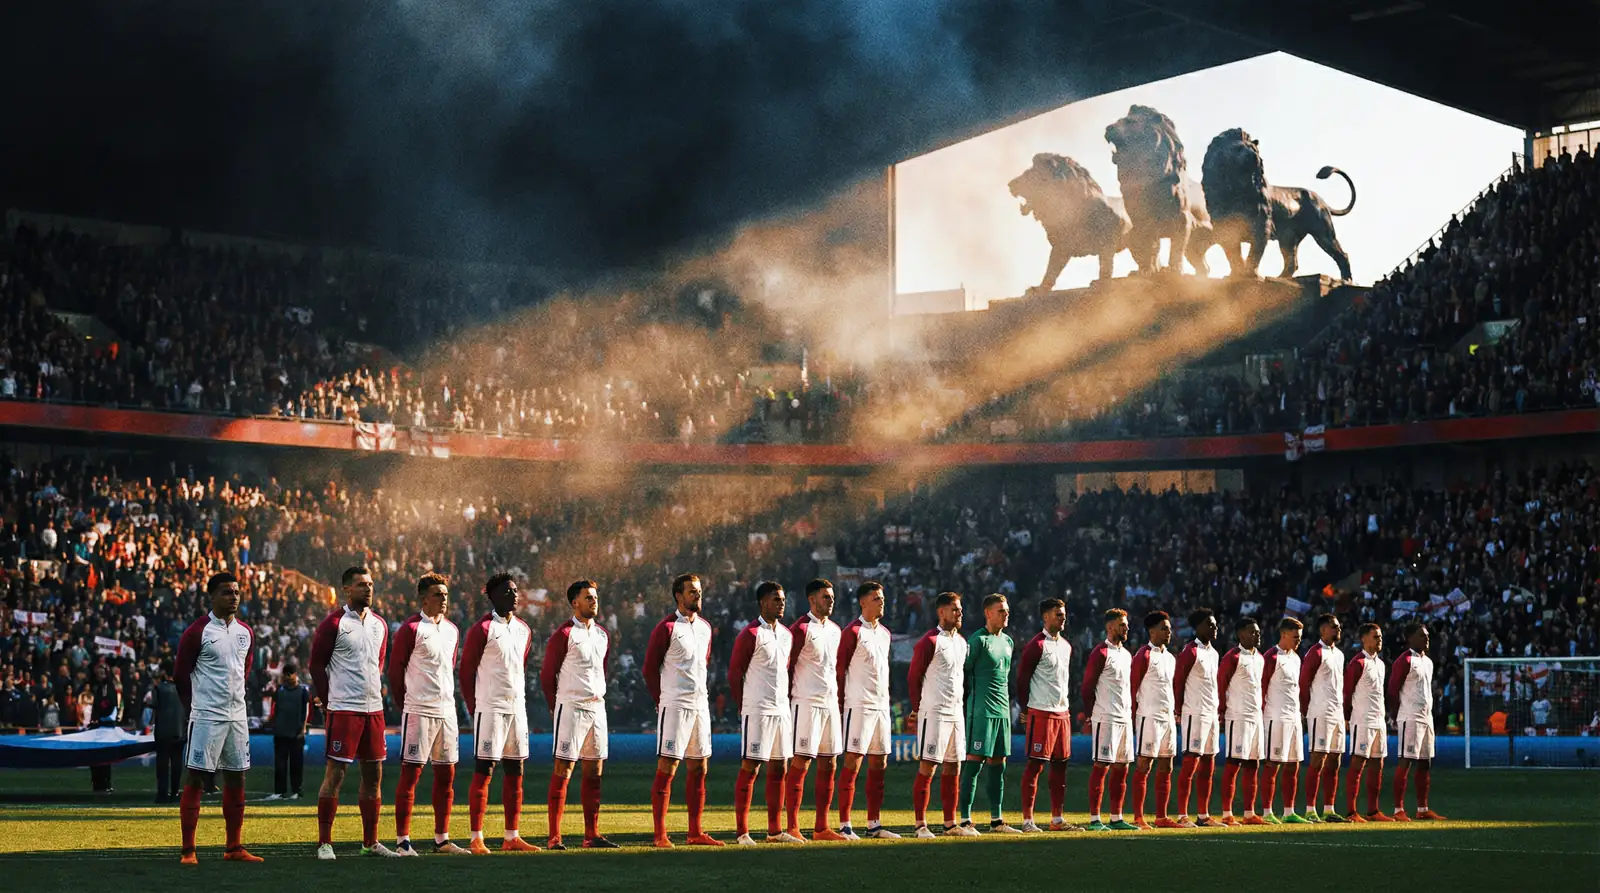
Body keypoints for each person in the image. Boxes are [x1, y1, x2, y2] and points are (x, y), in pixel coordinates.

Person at [173, 572, 262, 864]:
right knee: (196, 777)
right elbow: (180, 674)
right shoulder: (197, 631)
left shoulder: (245, 632)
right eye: (226, 592)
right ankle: (188, 850)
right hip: (206, 716)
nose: (233, 597)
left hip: (237, 716)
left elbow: (244, 671)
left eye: (236, 592)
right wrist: (194, 707)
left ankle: (233, 847)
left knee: (237, 777)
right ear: (211, 596)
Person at [309, 566, 396, 859]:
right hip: (345, 709)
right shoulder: (333, 624)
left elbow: (378, 664)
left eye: (370, 584)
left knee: (374, 777)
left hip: (374, 710)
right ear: (347, 589)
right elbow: (316, 665)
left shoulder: (380, 624)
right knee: (336, 774)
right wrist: (326, 699)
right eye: (361, 585)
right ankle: (324, 843)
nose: (368, 589)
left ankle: (370, 842)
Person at [387, 572, 468, 855]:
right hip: (418, 711)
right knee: (411, 775)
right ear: (423, 599)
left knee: (447, 776)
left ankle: (441, 839)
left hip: (447, 712)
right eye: (437, 594)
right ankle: (402, 841)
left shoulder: (452, 630)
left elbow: (449, 668)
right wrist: (405, 704)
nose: (443, 599)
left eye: (445, 594)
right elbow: (394, 671)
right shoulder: (411, 630)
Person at [460, 572, 540, 853]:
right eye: (507, 591)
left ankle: (511, 837)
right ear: (492, 597)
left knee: (516, 770)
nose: (513, 595)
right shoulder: (482, 629)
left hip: (517, 708)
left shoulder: (524, 629)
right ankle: (476, 837)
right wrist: (474, 708)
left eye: (515, 590)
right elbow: (466, 672)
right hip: (490, 707)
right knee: (485, 770)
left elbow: (521, 666)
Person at [642, 573, 723, 847]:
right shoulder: (666, 628)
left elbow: (703, 663)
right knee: (668, 766)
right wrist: (661, 700)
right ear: (679, 596)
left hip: (700, 704)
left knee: (700, 766)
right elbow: (649, 669)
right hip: (675, 705)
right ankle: (660, 835)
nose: (698, 595)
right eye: (692, 591)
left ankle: (695, 832)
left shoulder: (705, 628)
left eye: (699, 591)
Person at [541, 579, 618, 849]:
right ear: (575, 603)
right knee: (564, 769)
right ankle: (554, 837)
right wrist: (555, 706)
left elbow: (601, 669)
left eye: (595, 597)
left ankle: (591, 834)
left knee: (594, 771)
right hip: (571, 707)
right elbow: (547, 675)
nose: (594, 601)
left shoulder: (602, 635)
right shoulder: (564, 634)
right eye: (588, 597)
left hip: (597, 707)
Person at [726, 581, 797, 845]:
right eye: (776, 599)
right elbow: (735, 673)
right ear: (763, 602)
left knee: (780, 767)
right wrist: (743, 705)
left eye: (783, 599)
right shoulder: (750, 634)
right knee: (751, 767)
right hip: (757, 710)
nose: (781, 603)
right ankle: (742, 832)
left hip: (781, 709)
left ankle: (775, 831)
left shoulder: (787, 635)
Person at [784, 578, 848, 841]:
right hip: (806, 702)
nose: (830, 600)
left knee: (830, 762)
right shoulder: (800, 629)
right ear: (811, 600)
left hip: (829, 703)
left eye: (831, 596)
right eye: (825, 596)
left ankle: (821, 827)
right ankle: (792, 826)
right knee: (801, 761)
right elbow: (787, 667)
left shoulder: (835, 630)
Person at [835, 581, 899, 840]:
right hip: (858, 705)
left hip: (881, 706)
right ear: (862, 603)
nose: (881, 602)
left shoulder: (885, 633)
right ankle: (845, 824)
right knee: (853, 762)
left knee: (879, 763)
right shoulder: (852, 632)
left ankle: (874, 824)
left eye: (882, 598)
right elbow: (840, 671)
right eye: (876, 598)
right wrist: (840, 705)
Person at [906, 591, 970, 838]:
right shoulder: (930, 641)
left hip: (956, 712)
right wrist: (916, 708)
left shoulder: (962, 642)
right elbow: (914, 676)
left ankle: (950, 824)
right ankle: (920, 825)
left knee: (954, 767)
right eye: (954, 609)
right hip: (934, 712)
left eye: (960, 609)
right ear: (941, 612)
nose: (959, 613)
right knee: (928, 766)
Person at [1015, 597, 1080, 832]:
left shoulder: (1066, 646)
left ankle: (1057, 819)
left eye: (1063, 614)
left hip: (1062, 713)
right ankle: (1027, 820)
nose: (1063, 618)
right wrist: (1025, 709)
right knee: (1035, 765)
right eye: (1058, 614)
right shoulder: (1036, 645)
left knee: (1061, 765)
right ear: (1045, 617)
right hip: (1040, 711)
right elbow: (1022, 679)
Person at [956, 594, 1017, 834]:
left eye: (1007, 610)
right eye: (1001, 611)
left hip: (1002, 712)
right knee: (974, 764)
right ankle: (965, 819)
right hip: (981, 711)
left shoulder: (1008, 642)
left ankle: (996, 820)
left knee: (998, 766)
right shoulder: (977, 641)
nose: (1006, 614)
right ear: (988, 613)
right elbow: (963, 673)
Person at [1081, 608, 1136, 831]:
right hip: (1106, 717)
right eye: (1122, 625)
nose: (1126, 628)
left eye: (1127, 624)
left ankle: (1116, 817)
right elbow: (1087, 687)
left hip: (1124, 718)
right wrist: (1090, 713)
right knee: (1101, 766)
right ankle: (1095, 819)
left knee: (1122, 768)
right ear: (1110, 626)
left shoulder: (1127, 655)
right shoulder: (1101, 653)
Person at [1389, 621, 1447, 821]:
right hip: (1410, 716)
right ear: (1410, 638)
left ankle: (1422, 809)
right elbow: (1393, 689)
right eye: (1422, 635)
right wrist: (1395, 714)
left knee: (1425, 763)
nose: (1426, 639)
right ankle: (1398, 810)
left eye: (1427, 635)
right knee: (1405, 761)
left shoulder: (1428, 662)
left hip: (1426, 717)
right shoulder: (1405, 661)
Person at [1129, 610, 1178, 829]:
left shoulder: (1170, 658)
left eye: (1169, 629)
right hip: (1148, 716)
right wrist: (1132, 716)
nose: (1169, 632)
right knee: (1144, 764)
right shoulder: (1143, 655)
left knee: (1167, 765)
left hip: (1167, 717)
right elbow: (1132, 687)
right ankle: (1138, 817)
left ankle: (1161, 817)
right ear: (1152, 631)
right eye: (1164, 628)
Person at [1173, 608, 1222, 828]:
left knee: (1208, 765)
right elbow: (1179, 682)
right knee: (1190, 764)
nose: (1215, 628)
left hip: (1211, 714)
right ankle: (1182, 815)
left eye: (1215, 625)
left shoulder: (1214, 653)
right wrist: (1178, 710)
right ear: (1198, 627)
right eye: (1210, 625)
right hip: (1194, 713)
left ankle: (1203, 814)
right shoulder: (1190, 651)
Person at [1217, 617, 1266, 825]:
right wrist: (1221, 711)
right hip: (1237, 716)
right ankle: (1227, 813)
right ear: (1241, 635)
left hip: (1255, 717)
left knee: (1253, 764)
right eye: (1252, 632)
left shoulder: (1260, 658)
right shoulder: (1232, 657)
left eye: (1258, 631)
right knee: (1234, 763)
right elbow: (1221, 685)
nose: (1257, 634)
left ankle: (1249, 813)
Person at [1299, 613, 1347, 822]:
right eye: (1334, 626)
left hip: (1337, 713)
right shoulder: (1315, 653)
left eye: (1339, 626)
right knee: (1318, 760)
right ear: (1322, 630)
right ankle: (1310, 810)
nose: (1338, 629)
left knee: (1335, 761)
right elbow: (1304, 683)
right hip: (1320, 712)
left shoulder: (1340, 655)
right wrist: (1306, 710)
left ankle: (1329, 809)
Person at [1260, 617, 1308, 823]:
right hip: (1275, 718)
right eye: (1295, 637)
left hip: (1293, 718)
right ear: (1284, 635)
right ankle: (1267, 812)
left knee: (1293, 765)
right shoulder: (1271, 657)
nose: (1298, 641)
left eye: (1300, 637)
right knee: (1272, 764)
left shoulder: (1296, 658)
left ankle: (1289, 812)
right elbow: (1261, 687)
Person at [1342, 622, 1389, 822]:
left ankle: (1373, 811)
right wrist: (1346, 717)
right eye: (1375, 636)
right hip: (1362, 720)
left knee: (1378, 764)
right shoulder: (1358, 663)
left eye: (1380, 636)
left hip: (1379, 721)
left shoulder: (1381, 664)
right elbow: (1347, 692)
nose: (1379, 640)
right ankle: (1351, 812)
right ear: (1364, 639)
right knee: (1357, 764)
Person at [266, 664, 311, 801]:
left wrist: (303, 728)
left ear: (295, 674)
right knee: (280, 764)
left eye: (290, 674)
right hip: (281, 732)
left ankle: (297, 791)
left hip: (296, 733)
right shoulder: (279, 690)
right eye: (285, 674)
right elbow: (274, 709)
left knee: (296, 764)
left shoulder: (303, 691)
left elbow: (306, 710)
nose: (287, 677)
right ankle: (279, 791)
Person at [148, 660, 185, 804]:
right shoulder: (183, 688)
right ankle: (175, 792)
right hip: (179, 730)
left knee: (162, 764)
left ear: (164, 672)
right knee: (177, 763)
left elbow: (153, 706)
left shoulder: (158, 688)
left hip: (163, 731)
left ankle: (162, 794)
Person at [89, 663, 121, 792]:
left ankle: (103, 783)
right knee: (100, 756)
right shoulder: (102, 687)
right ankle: (100, 783)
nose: (99, 675)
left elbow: (108, 703)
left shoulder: (107, 687)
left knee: (103, 756)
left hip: (105, 725)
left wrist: (98, 716)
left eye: (101, 672)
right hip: (102, 725)